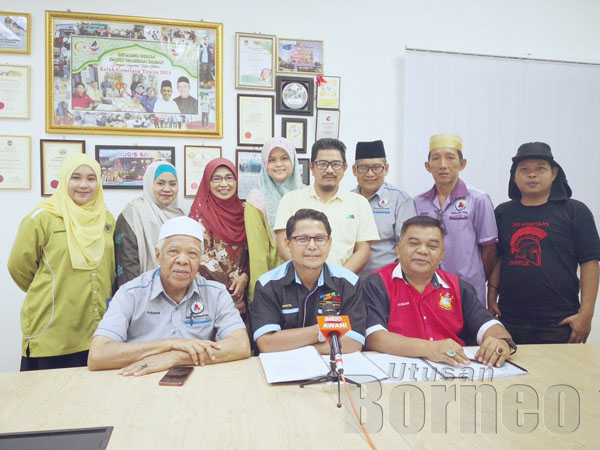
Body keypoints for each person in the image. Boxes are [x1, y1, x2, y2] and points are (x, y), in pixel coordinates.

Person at [87, 216, 250, 375]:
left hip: (199, 383)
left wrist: (176, 356)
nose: (183, 260)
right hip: (139, 382)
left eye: (192, 254)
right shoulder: (131, 293)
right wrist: (170, 344)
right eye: (173, 252)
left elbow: (240, 345)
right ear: (158, 255)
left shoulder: (216, 293)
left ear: (200, 259)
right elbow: (98, 355)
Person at [363, 216, 516, 367]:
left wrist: (500, 343)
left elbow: (490, 326)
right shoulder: (377, 283)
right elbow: (374, 337)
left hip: (453, 371)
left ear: (441, 255)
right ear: (398, 249)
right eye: (414, 243)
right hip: (398, 370)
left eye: (432, 246)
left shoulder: (458, 287)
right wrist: (429, 348)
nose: (422, 251)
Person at [8, 154, 115, 371]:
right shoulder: (40, 218)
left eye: (91, 178)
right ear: (64, 180)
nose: (83, 185)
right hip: (54, 329)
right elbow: (18, 267)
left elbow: (111, 265)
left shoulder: (106, 218)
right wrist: (49, 290)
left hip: (98, 331)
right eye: (75, 178)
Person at [488, 142, 600, 344]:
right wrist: (491, 295)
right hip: (509, 321)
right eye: (524, 170)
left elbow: (589, 263)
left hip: (559, 323)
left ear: (554, 173)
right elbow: (499, 257)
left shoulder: (575, 211)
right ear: (514, 176)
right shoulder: (503, 213)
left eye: (540, 168)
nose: (532, 175)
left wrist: (586, 314)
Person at [251, 209, 366, 353]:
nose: (312, 246)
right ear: (287, 244)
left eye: (319, 239)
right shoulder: (268, 284)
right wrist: (323, 330)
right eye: (302, 239)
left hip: (330, 365)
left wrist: (301, 348)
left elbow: (353, 342)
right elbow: (267, 343)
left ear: (329, 243)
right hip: (283, 368)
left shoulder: (349, 282)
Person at [274, 138, 380, 274]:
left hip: (342, 284)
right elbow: (283, 247)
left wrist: (336, 279)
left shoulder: (359, 203)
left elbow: (363, 251)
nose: (329, 170)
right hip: (298, 283)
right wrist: (307, 275)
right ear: (311, 167)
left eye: (336, 164)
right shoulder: (290, 199)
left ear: (345, 168)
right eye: (322, 164)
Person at [414, 133, 497, 305]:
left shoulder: (478, 199)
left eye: (450, 157)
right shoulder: (418, 202)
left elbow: (489, 249)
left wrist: (475, 276)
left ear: (462, 163)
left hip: (468, 289)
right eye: (436, 158)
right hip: (428, 288)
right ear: (428, 166)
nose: (443, 165)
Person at [245, 137, 303, 304]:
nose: (279, 164)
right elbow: (258, 254)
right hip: (273, 281)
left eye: (284, 158)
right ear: (265, 164)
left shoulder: (306, 194)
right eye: (272, 160)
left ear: (293, 160)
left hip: (306, 278)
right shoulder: (256, 200)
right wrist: (260, 295)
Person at [189, 159, 250, 316]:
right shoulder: (199, 214)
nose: (224, 184)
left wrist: (245, 277)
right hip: (210, 294)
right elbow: (200, 256)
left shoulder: (247, 212)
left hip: (245, 291)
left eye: (229, 178)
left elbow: (255, 250)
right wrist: (231, 294)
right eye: (216, 178)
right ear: (207, 183)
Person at [113, 161, 184, 291]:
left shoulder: (180, 216)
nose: (167, 189)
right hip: (140, 292)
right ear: (149, 183)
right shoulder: (133, 213)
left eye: (172, 184)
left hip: (176, 293)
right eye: (160, 183)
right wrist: (136, 296)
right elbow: (127, 262)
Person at [352, 140, 416, 278]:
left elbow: (408, 243)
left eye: (376, 167)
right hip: (351, 280)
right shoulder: (347, 199)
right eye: (363, 168)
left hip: (387, 281)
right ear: (354, 170)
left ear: (386, 168)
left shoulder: (400, 199)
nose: (370, 174)